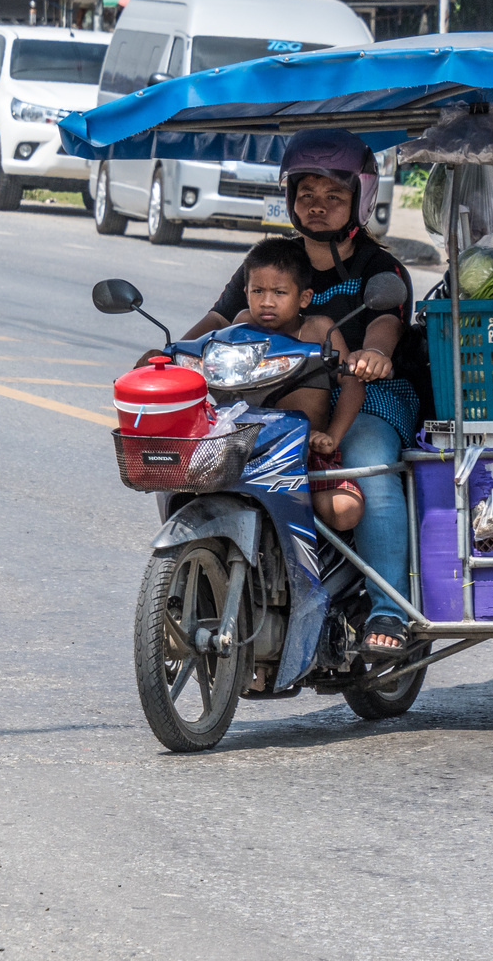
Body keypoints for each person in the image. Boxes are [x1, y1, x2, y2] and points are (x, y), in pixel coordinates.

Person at [180, 129, 419, 660]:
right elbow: (219, 318)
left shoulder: (381, 268)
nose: (318, 207)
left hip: (367, 394)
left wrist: (372, 354)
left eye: (333, 197)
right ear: (290, 199)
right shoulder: (272, 263)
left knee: (369, 466)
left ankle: (386, 609)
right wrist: (174, 352)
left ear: (359, 199)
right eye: (307, 195)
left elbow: (384, 323)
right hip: (282, 389)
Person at [230, 238, 365, 531]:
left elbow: (352, 384)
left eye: (279, 292)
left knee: (346, 511)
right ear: (245, 292)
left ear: (304, 298)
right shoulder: (241, 325)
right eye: (258, 291)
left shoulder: (319, 330)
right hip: (247, 445)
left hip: (307, 451)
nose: (267, 301)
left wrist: (332, 437)